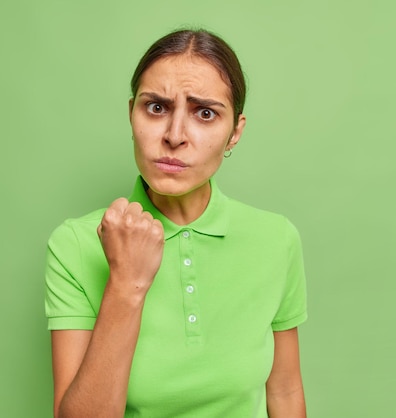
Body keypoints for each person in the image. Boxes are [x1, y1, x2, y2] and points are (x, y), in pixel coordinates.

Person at [45, 29, 308, 418]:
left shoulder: (276, 239)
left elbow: (285, 392)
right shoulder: (75, 244)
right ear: (131, 113)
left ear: (235, 132)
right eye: (156, 108)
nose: (174, 136)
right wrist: (125, 283)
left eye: (205, 113)